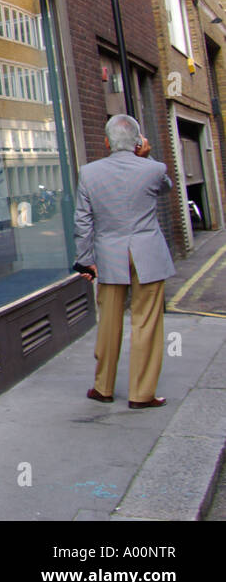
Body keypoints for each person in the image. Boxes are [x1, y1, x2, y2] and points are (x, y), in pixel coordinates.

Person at [73, 114, 176, 409]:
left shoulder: (88, 173)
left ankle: (103, 387)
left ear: (106, 142)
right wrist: (147, 156)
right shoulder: (154, 169)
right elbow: (166, 189)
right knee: (147, 322)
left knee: (108, 321)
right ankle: (142, 394)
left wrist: (85, 260)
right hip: (148, 254)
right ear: (138, 142)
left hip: (109, 255)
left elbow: (83, 221)